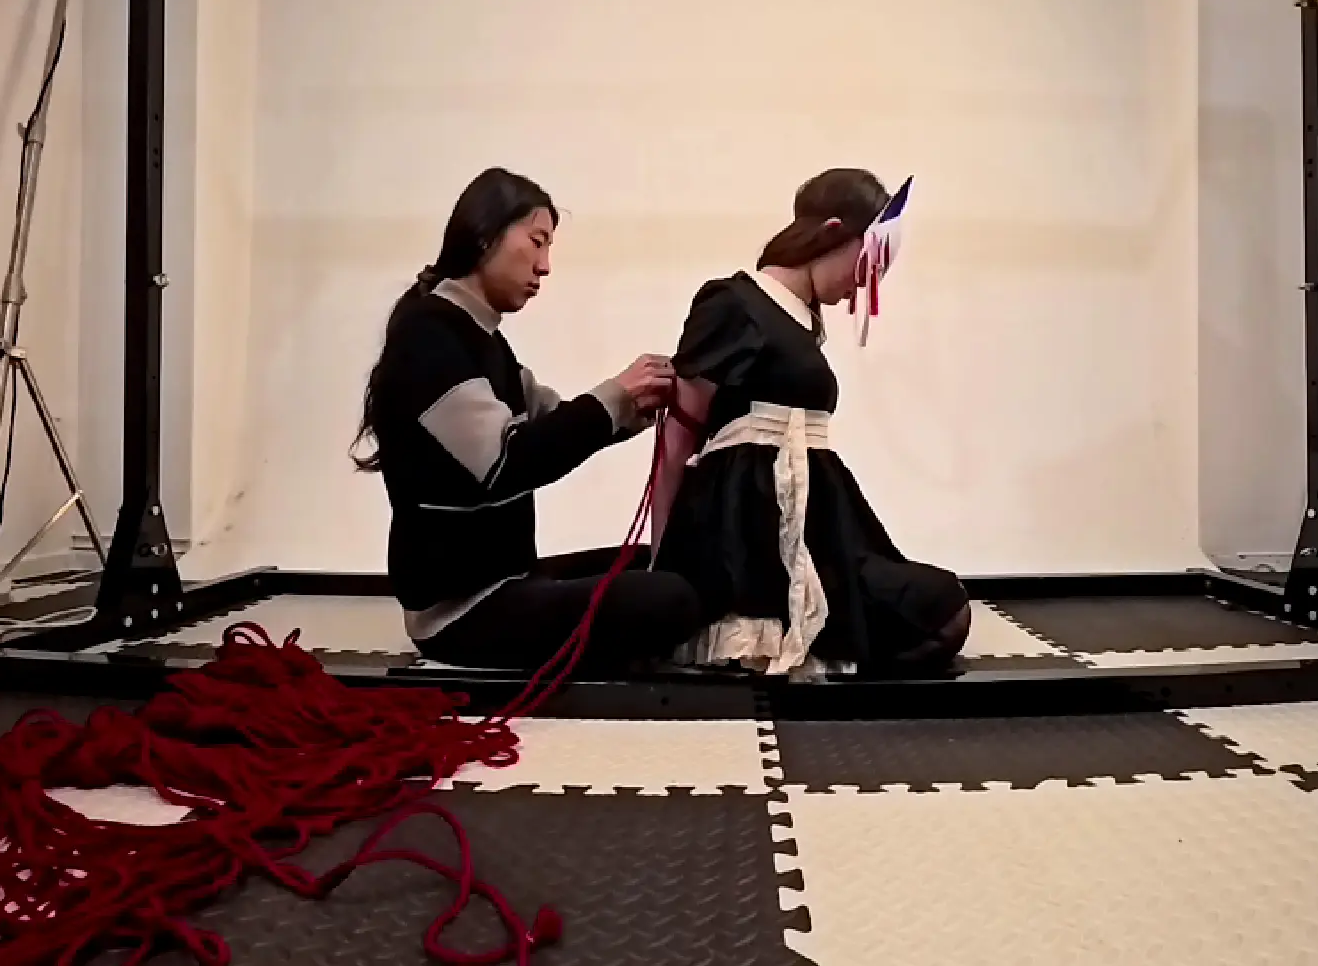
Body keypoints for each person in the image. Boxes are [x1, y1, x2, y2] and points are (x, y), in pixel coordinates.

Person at [352, 167, 712, 671]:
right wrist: (617, 396)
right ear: (485, 236)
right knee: (668, 597)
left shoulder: (485, 340)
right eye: (537, 243)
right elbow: (508, 460)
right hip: (462, 613)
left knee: (661, 558)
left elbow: (556, 421)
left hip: (510, 581)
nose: (544, 266)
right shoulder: (430, 336)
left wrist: (638, 406)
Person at [648, 168, 973, 677]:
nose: (861, 284)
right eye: (862, 264)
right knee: (936, 610)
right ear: (833, 232)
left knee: (941, 603)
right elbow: (680, 433)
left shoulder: (804, 318)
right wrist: (663, 556)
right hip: (749, 527)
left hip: (817, 515)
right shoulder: (732, 301)